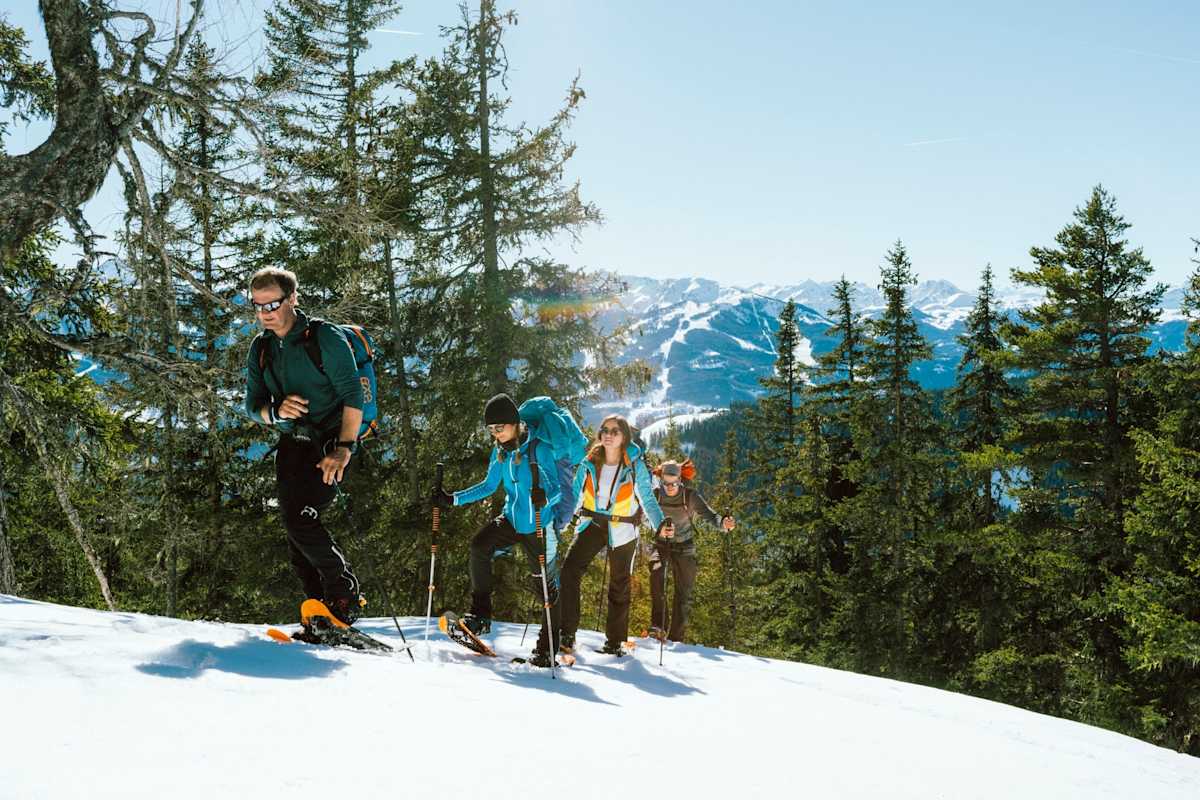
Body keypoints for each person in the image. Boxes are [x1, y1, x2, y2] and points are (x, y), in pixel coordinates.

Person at [243, 267, 365, 627]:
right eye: (257, 306)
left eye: (273, 304)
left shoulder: (323, 337)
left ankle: (343, 595)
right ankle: (318, 606)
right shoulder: (261, 348)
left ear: (293, 299)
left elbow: (352, 395)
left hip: (329, 444)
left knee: (301, 518)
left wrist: (344, 448)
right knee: (293, 525)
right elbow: (253, 405)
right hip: (291, 446)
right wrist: (275, 411)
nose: (265, 313)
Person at [430, 393, 563, 667]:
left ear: (515, 423)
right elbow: (489, 486)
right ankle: (480, 617)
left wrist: (544, 497)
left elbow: (558, 488)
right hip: (512, 520)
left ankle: (547, 649)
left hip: (539, 525)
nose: (495, 434)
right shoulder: (500, 452)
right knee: (479, 546)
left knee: (546, 588)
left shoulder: (540, 449)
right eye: (491, 429)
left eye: (499, 427)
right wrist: (452, 498)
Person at [558, 415, 671, 656]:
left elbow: (647, 498)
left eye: (615, 431)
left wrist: (659, 523)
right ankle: (566, 633)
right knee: (569, 571)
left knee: (619, 584)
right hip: (592, 523)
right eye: (604, 430)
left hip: (622, 528)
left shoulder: (634, 465)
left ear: (624, 438)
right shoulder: (589, 462)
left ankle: (615, 641)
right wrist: (559, 521)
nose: (608, 434)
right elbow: (573, 496)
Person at [648, 459, 735, 643]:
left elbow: (711, 516)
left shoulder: (690, 496)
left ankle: (675, 638)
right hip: (661, 544)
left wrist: (723, 523)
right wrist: (659, 529)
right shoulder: (655, 496)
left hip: (685, 546)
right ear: (660, 480)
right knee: (657, 576)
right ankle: (658, 628)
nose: (670, 487)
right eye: (666, 483)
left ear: (681, 480)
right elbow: (642, 517)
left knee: (683, 593)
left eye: (674, 483)